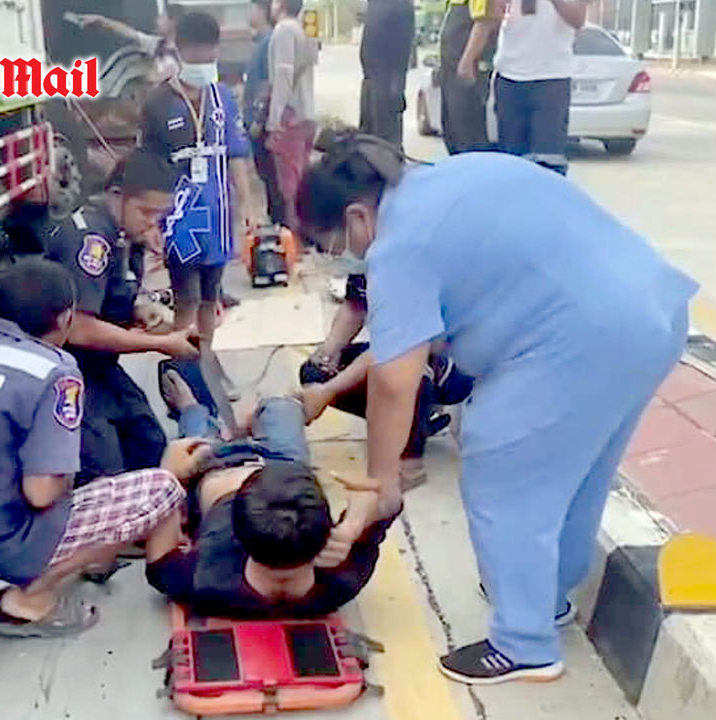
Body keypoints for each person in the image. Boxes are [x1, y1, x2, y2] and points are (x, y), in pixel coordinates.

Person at [296, 131, 697, 684]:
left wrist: (379, 487)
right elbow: (404, 345)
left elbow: (394, 382)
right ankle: (545, 598)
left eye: (331, 243)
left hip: (581, 337)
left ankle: (525, 643)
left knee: (501, 464)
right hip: (652, 313)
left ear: (357, 216)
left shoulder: (399, 245)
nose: (343, 254)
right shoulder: (452, 177)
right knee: (578, 473)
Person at [0, 259, 200, 637]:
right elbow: (40, 493)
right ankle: (27, 600)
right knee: (161, 488)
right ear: (66, 318)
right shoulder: (54, 371)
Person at [145, 366, 401, 617]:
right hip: (284, 461)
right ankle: (247, 419)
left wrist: (168, 473)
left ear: (236, 533)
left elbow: (160, 558)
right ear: (325, 535)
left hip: (215, 465)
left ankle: (194, 410)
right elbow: (388, 502)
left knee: (195, 433)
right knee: (283, 406)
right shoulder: (340, 579)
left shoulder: (203, 577)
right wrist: (354, 525)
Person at [42, 150, 199, 483]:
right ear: (117, 195)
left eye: (159, 216)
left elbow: (107, 295)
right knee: (104, 467)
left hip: (100, 366)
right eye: (145, 212)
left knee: (150, 443)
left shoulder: (123, 235)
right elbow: (78, 329)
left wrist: (138, 309)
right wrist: (160, 344)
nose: (151, 223)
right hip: (66, 371)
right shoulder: (90, 239)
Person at [140, 11, 254, 345]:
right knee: (186, 296)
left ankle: (205, 356)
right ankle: (183, 359)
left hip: (218, 211)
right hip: (180, 215)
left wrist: (247, 203)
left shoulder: (224, 98)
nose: (204, 62)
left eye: (209, 55)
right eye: (197, 56)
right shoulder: (159, 102)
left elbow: (236, 153)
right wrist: (149, 219)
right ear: (180, 50)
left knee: (210, 295)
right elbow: (146, 164)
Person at [299, 273, 473, 487]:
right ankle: (404, 425)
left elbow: (389, 351)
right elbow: (355, 306)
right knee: (314, 373)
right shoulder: (369, 261)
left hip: (451, 365)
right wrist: (328, 352)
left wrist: (327, 391)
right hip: (397, 349)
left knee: (405, 377)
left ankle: (410, 467)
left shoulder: (412, 271)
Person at [480, 0, 589, 173]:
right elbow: (493, 17)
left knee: (548, 160)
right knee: (510, 161)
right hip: (510, 76)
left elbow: (578, 20)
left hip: (551, 79)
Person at [266, 0, 317, 234]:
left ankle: (295, 238)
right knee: (301, 179)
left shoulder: (284, 30)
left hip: (290, 117)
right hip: (306, 114)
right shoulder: (303, 29)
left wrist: (274, 119)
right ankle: (306, 234)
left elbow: (283, 75)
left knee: (289, 186)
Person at [439, 0, 499, 154]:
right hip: (451, 67)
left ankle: (474, 168)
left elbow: (485, 21)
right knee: (452, 129)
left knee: (468, 132)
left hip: (468, 68)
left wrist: (468, 60)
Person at [245, 0, 286, 227]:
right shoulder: (261, 42)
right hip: (258, 120)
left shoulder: (269, 42)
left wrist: (259, 119)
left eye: (252, 8)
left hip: (263, 123)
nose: (248, 13)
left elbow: (268, 85)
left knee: (273, 178)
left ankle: (281, 226)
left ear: (262, 11)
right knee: (268, 178)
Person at [358, 0, 415, 150]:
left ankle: (386, 156)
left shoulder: (392, 6)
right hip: (375, 78)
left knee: (384, 133)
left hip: (385, 80)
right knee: (374, 133)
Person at [71, 6, 183, 82]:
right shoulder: (157, 43)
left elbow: (154, 79)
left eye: (162, 17)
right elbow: (129, 32)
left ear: (173, 22)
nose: (156, 20)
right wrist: (102, 20)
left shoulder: (175, 56)